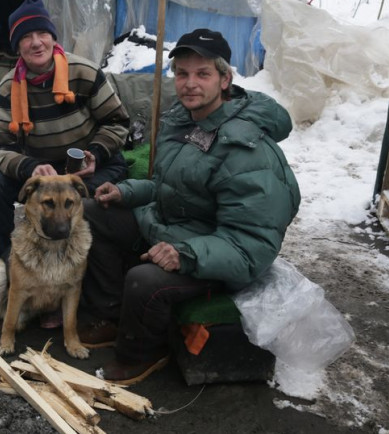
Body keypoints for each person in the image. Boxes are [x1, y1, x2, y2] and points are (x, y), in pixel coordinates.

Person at [78, 28, 301, 383]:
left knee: (143, 280)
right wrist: (126, 192)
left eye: (202, 74)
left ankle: (140, 354)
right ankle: (114, 317)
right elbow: (169, 187)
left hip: (219, 256)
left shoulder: (246, 148)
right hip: (175, 228)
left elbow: (251, 244)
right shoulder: (184, 121)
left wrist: (187, 254)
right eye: (182, 73)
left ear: (225, 79)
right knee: (92, 213)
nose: (189, 84)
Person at [0, 0, 130, 268]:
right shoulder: (8, 89)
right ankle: (1, 266)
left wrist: (96, 153)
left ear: (53, 37)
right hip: (45, 173)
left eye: (42, 33)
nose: (36, 43)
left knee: (93, 203)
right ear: (17, 46)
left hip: (90, 167)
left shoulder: (83, 72)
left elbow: (117, 121)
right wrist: (30, 168)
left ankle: (89, 272)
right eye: (26, 37)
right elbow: (0, 148)